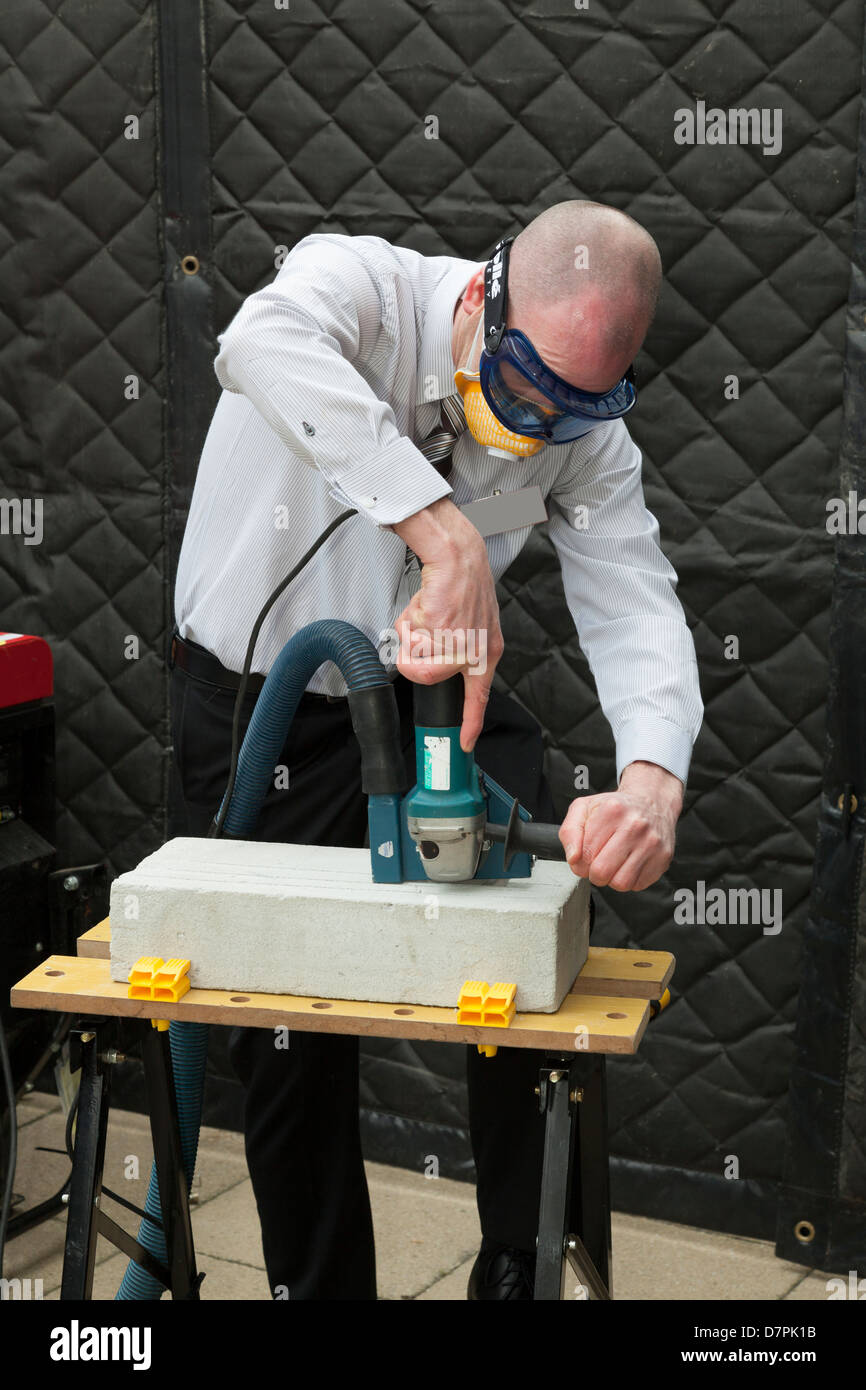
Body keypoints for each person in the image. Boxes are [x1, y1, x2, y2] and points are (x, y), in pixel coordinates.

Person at [169, 200, 703, 1299]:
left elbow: (634, 596)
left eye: (573, 410)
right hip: (267, 704)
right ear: (479, 301)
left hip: (442, 702)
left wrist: (650, 779)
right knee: (285, 1033)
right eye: (521, 394)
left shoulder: (582, 434)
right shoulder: (358, 287)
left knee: (532, 961)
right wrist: (439, 524)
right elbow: (255, 344)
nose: (536, 429)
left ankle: (526, 1259)